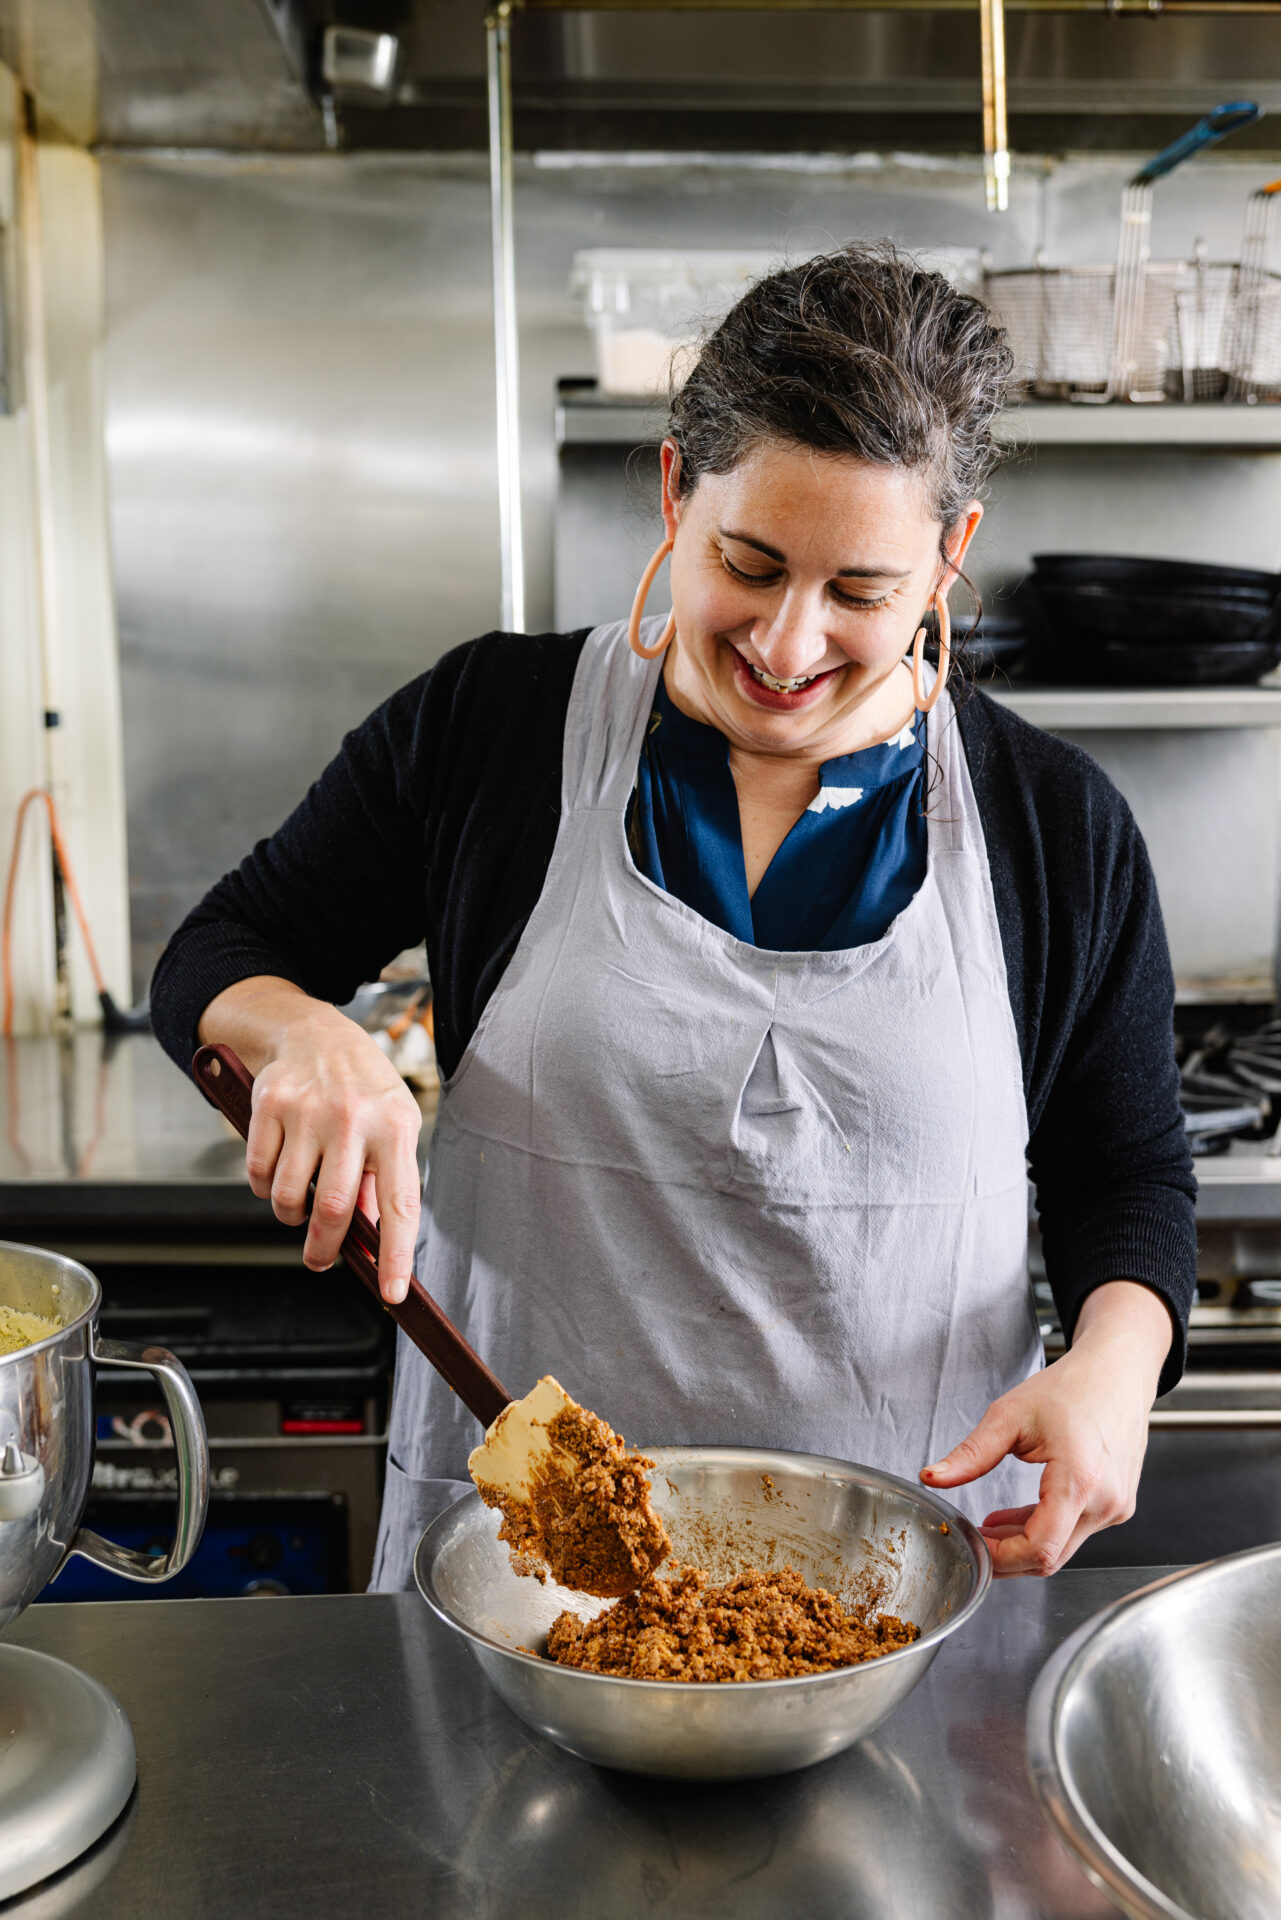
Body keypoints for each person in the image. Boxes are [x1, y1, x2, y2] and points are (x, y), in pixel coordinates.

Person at [152, 243, 1195, 1593]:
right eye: (747, 565)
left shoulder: (1055, 826)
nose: (785, 643)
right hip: (517, 1587)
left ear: (951, 557)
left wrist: (1114, 1364)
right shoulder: (490, 731)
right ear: (670, 491)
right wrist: (303, 1034)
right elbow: (218, 955)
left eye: (860, 593)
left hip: (895, 1599)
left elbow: (1129, 1175)